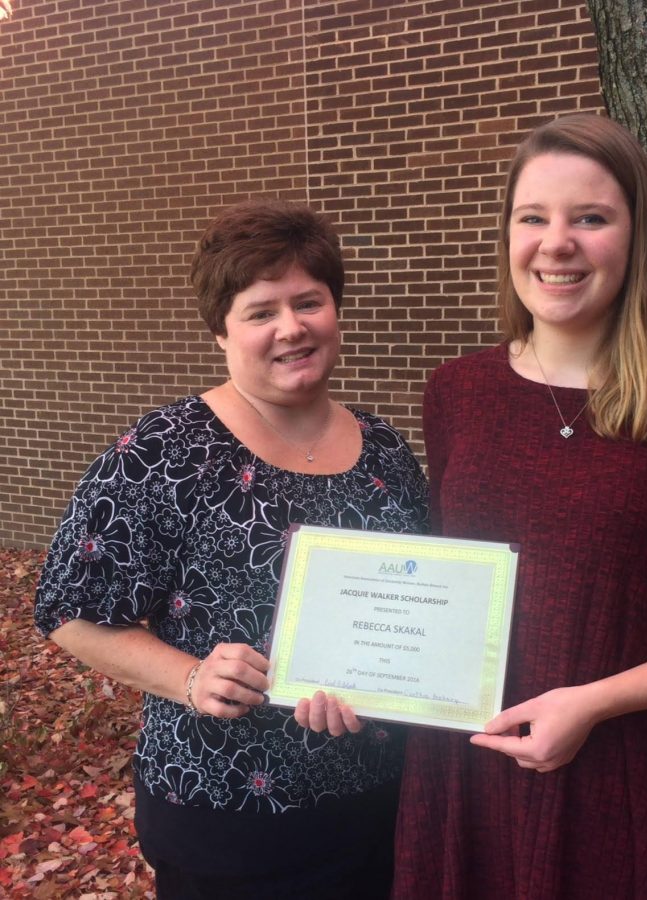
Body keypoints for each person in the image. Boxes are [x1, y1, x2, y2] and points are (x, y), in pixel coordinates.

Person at [392, 113, 647, 899]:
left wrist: (591, 704)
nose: (555, 243)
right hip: (459, 774)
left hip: (614, 777)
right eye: (532, 217)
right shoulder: (457, 391)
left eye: (590, 218)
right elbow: (443, 587)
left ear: (635, 238)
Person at [34, 199, 429, 899]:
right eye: (260, 311)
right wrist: (190, 678)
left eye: (309, 301)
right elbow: (69, 607)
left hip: (379, 806)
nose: (291, 328)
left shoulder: (386, 452)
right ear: (221, 329)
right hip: (227, 817)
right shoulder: (164, 452)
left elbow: (422, 602)